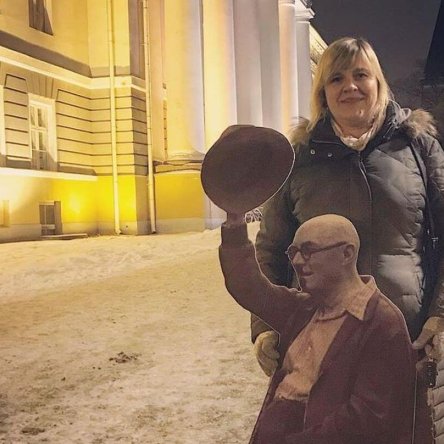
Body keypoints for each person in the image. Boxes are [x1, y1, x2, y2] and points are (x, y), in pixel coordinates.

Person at [251, 37, 444, 423]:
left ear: (378, 83)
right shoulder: (299, 159)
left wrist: (441, 313)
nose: (350, 86)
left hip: (407, 337)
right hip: (319, 342)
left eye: (361, 75)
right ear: (322, 92)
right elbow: (271, 248)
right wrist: (266, 325)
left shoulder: (419, 149)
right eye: (336, 78)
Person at [219, 213, 416, 444]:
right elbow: (250, 288)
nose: (297, 261)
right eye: (293, 252)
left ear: (347, 253)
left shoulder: (381, 323)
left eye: (308, 250)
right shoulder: (305, 308)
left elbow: (367, 420)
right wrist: (234, 222)